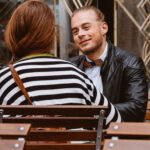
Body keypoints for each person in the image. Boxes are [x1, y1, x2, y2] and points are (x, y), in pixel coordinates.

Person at [0, 0, 121, 128]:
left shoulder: (4, 79)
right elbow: (116, 123)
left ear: (12, 34)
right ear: (51, 34)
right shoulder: (77, 75)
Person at [69, 6, 148, 122]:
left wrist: (92, 113)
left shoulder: (130, 63)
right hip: (73, 137)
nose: (80, 34)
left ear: (104, 28)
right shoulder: (70, 67)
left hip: (113, 136)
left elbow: (136, 109)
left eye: (86, 27)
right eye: (75, 31)